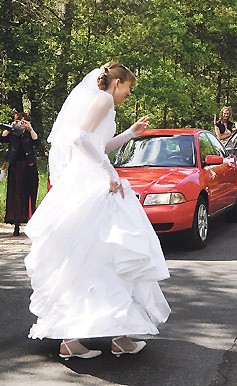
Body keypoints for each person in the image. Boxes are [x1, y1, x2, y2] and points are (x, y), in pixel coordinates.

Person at [24, 61, 171, 360]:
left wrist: (130, 133)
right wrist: (107, 175)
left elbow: (99, 145)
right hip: (94, 182)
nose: (129, 94)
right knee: (108, 252)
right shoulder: (103, 98)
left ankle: (100, 336)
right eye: (129, 88)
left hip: (96, 178)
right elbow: (80, 139)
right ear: (117, 83)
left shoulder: (104, 104)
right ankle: (104, 336)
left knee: (96, 253)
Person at [0, 112, 39, 236]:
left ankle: (30, 222)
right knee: (15, 194)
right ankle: (16, 225)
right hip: (15, 166)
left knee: (29, 193)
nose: (21, 124)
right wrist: (11, 127)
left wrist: (30, 128)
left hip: (29, 167)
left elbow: (37, 141)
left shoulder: (29, 133)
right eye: (19, 122)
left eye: (24, 122)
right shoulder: (13, 134)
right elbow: (2, 138)